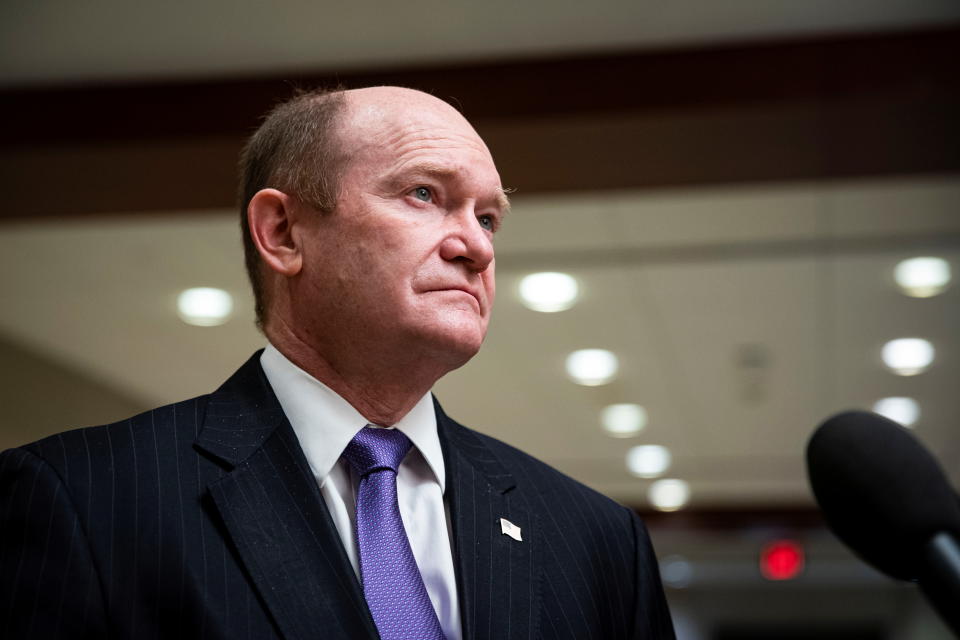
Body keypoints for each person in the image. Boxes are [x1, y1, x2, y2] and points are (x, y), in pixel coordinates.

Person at [0, 86, 675, 639]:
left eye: (489, 217)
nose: (477, 246)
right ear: (284, 233)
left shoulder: (596, 539)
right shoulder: (79, 500)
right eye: (424, 194)